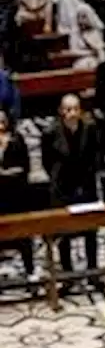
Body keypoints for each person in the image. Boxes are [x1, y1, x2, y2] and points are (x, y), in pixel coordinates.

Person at [42, 94, 102, 285]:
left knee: (91, 230)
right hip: (62, 186)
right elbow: (47, 162)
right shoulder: (50, 132)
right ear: (61, 111)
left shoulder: (90, 128)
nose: (72, 113)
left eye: (75, 109)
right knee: (64, 232)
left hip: (86, 183)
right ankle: (68, 276)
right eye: (68, 110)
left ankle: (93, 271)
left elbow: (95, 155)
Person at [0, 109, 35, 283]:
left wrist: (8, 173)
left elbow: (25, 167)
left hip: (16, 195)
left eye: (2, 121)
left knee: (23, 235)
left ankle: (30, 272)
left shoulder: (17, 140)